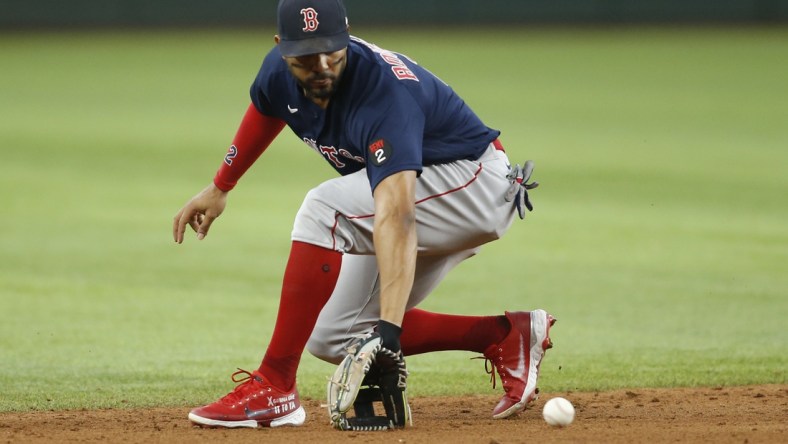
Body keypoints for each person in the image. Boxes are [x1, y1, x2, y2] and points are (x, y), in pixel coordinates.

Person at [173, 0, 555, 430]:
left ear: (348, 37)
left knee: (324, 208)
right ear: (281, 47)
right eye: (304, 56)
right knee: (332, 334)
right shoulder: (277, 72)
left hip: (474, 183)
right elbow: (268, 107)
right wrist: (221, 185)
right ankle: (504, 337)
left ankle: (274, 385)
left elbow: (397, 215)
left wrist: (389, 331)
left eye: (330, 52)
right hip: (425, 187)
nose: (320, 66)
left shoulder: (383, 94)